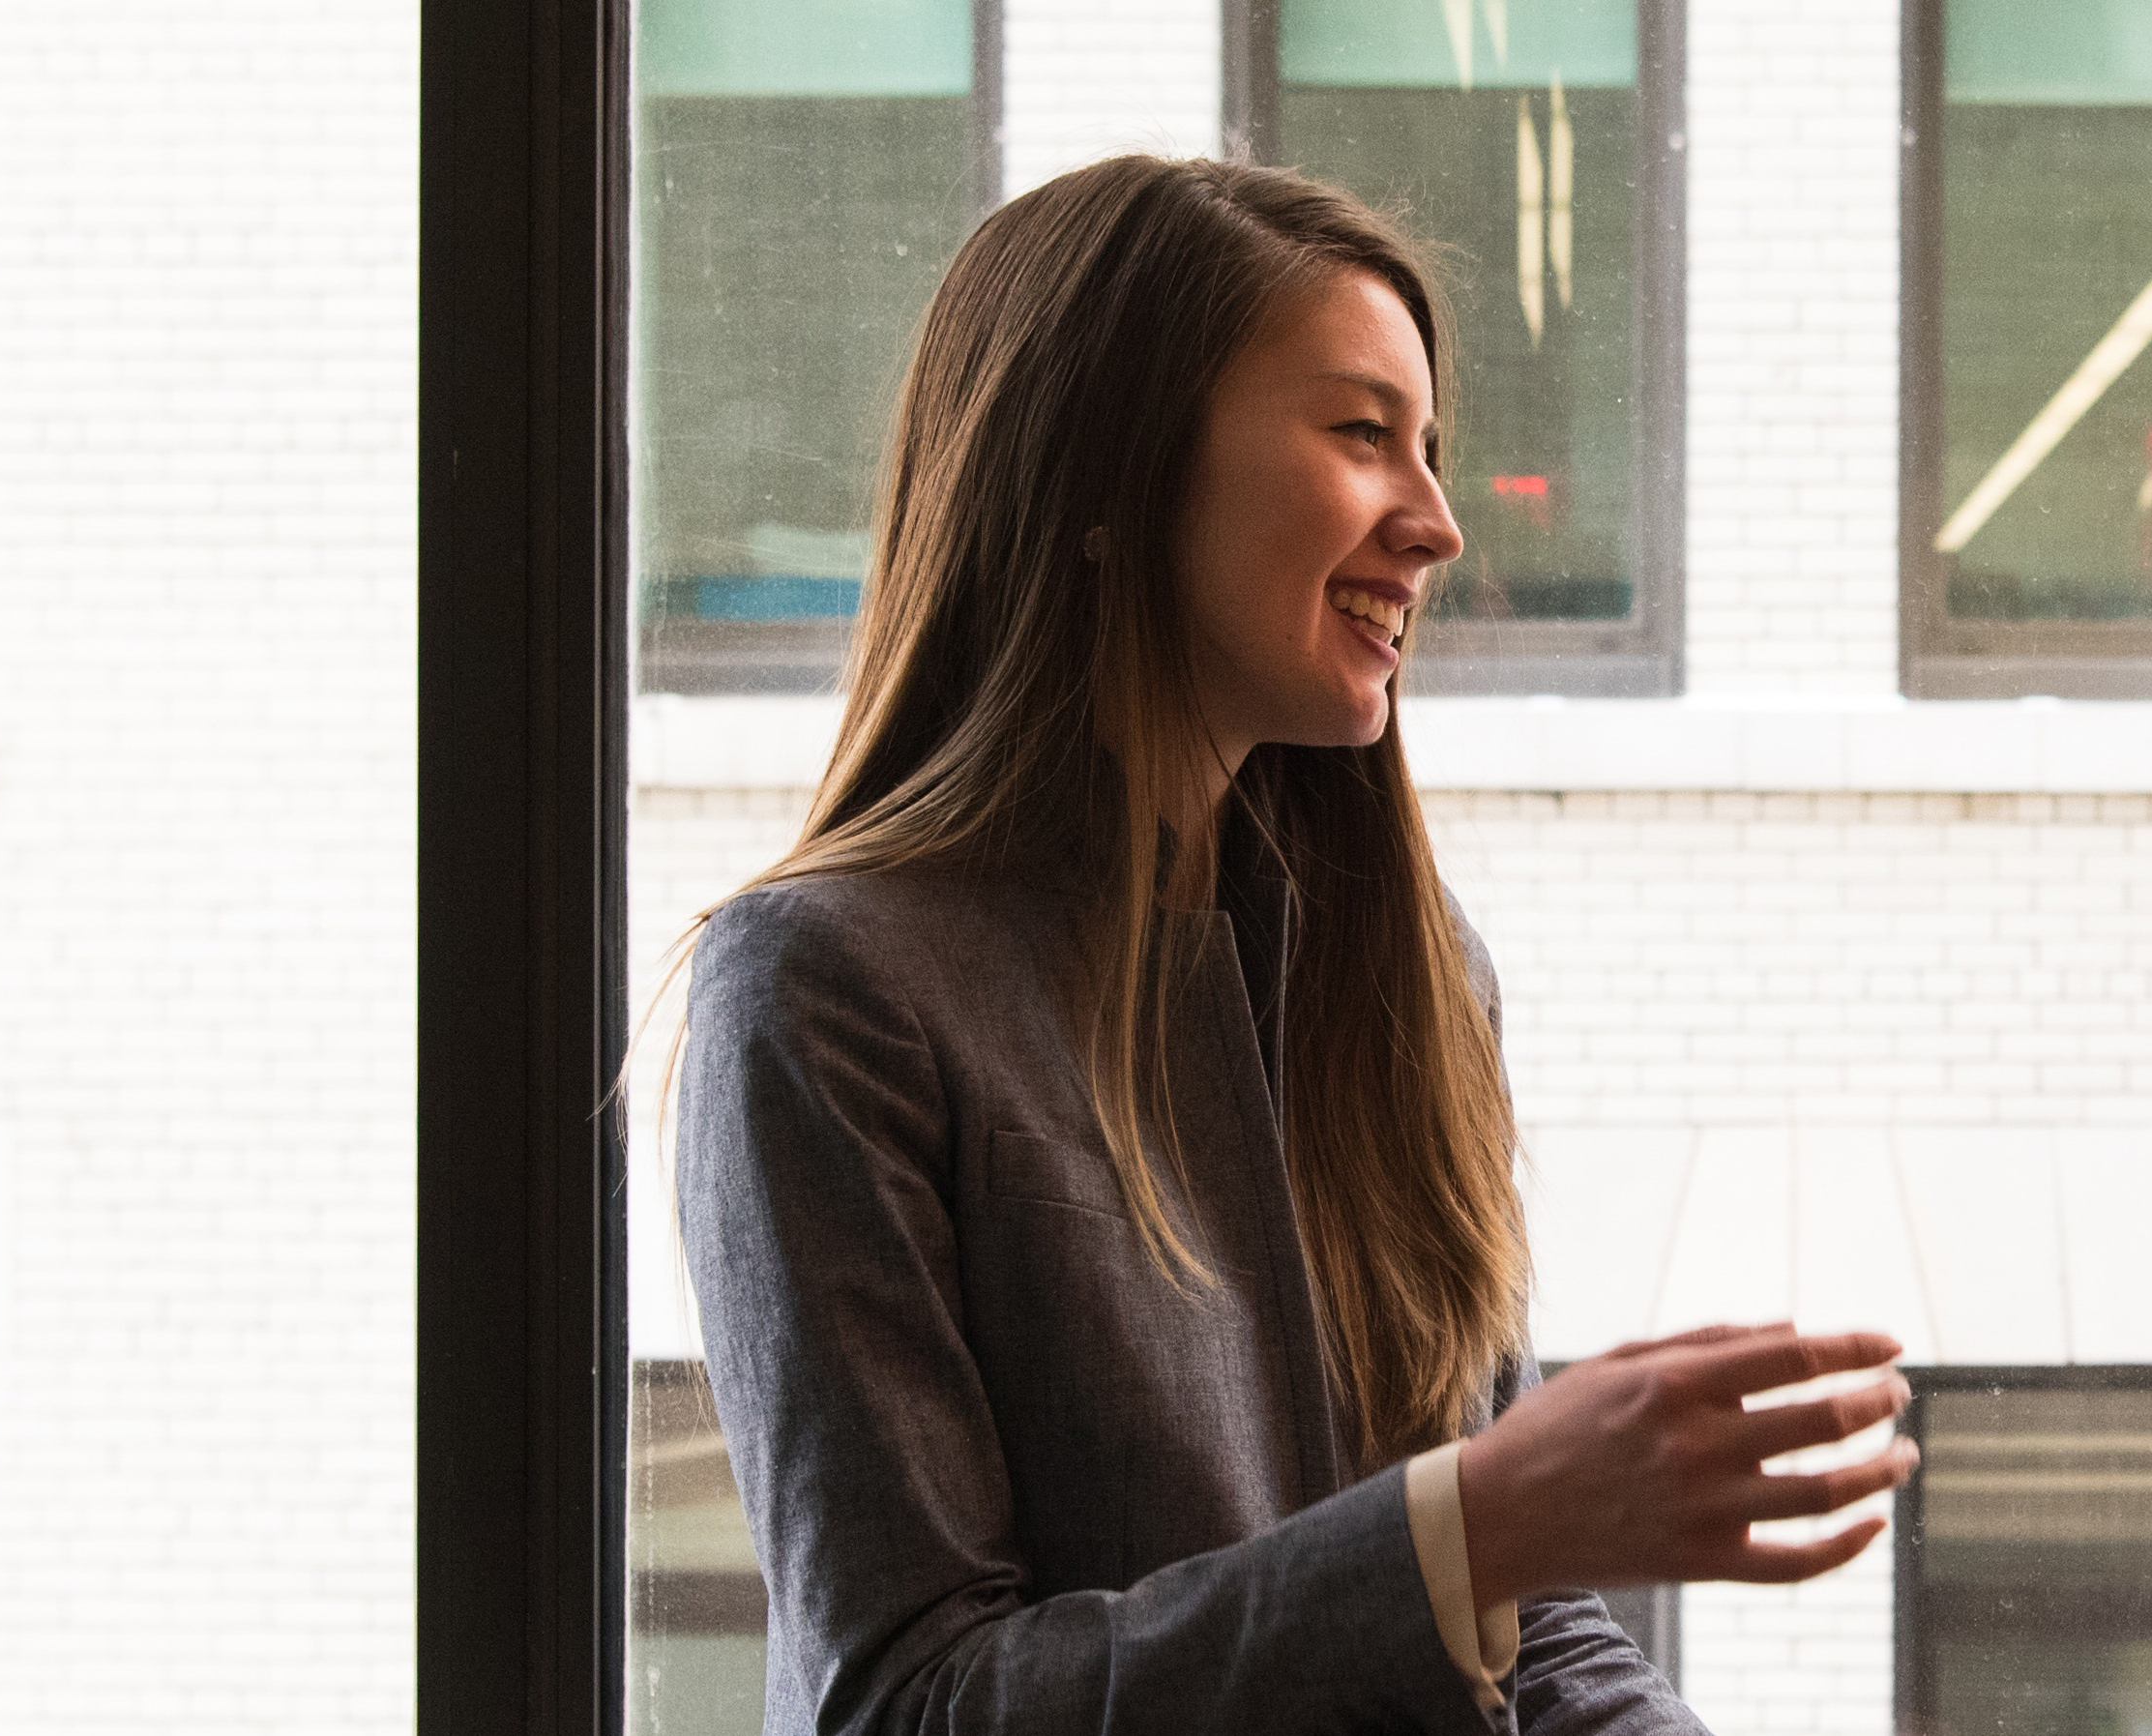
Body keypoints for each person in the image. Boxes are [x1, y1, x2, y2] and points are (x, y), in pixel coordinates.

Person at [673, 156, 1919, 1734]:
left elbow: (1529, 1641)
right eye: (1359, 433)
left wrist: (1497, 1541)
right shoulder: (825, 994)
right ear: (1103, 471)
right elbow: (909, 1706)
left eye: (1433, 449)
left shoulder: (1405, 975)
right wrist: (1473, 1526)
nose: (1442, 524)